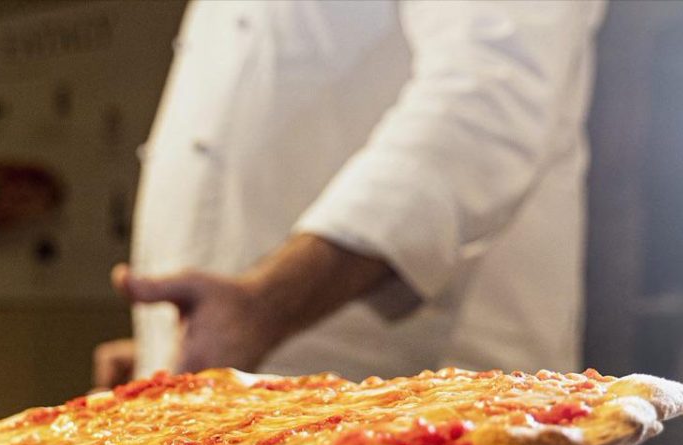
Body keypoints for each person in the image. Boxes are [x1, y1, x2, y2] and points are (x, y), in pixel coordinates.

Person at [93, 0, 608, 389]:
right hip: (248, 405)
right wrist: (163, 347)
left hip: (431, 413)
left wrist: (264, 305)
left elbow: (491, 97)